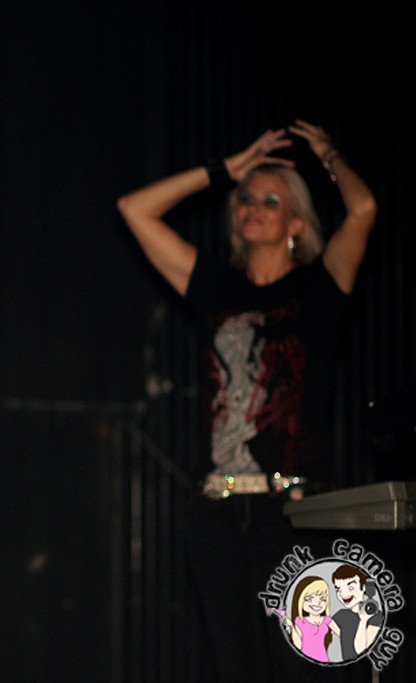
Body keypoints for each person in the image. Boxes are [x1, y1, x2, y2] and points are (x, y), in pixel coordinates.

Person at [117, 120, 377, 681]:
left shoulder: (320, 286)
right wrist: (224, 170)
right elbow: (134, 209)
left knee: (301, 665)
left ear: (297, 221)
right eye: (246, 198)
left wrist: (328, 154)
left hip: (292, 513)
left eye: (270, 200)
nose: (252, 207)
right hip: (217, 509)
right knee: (234, 666)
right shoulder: (217, 284)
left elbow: (363, 209)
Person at [331, 564, 383, 660]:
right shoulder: (341, 615)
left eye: (350, 588)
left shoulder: (376, 616)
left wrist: (363, 620)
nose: (343, 594)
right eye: (338, 589)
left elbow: (361, 650)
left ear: (363, 587)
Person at [283, 576, 340, 662]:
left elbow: (343, 635)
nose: (317, 603)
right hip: (304, 661)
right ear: (300, 600)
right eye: (309, 599)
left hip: (323, 660)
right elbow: (298, 645)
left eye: (323, 599)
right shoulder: (300, 621)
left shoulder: (327, 620)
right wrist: (290, 626)